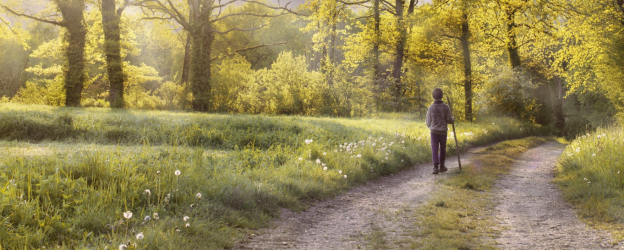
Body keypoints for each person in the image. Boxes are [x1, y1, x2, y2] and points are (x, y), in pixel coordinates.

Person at [425, 88, 454, 174]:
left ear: (433, 97)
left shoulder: (431, 107)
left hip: (434, 131)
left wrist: (431, 126)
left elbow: (428, 121)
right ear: (442, 96)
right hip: (443, 131)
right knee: (442, 148)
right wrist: (453, 119)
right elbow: (449, 120)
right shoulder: (446, 107)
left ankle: (435, 167)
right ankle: (442, 166)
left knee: (434, 148)